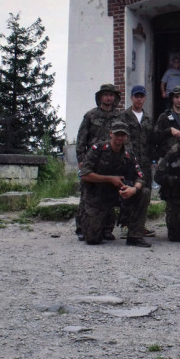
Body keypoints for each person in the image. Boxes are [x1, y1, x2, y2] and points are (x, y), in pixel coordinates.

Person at [79, 123, 151, 247]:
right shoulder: (98, 149)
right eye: (117, 134)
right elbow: (84, 174)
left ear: (126, 137)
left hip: (119, 194)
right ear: (111, 134)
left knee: (144, 192)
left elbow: (140, 176)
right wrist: (110, 179)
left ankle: (135, 236)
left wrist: (133, 189)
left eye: (123, 135)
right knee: (93, 239)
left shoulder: (129, 154)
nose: (120, 138)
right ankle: (103, 223)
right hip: (97, 194)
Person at [75, 83, 122, 241]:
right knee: (87, 195)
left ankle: (107, 228)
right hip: (93, 161)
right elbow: (81, 139)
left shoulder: (119, 117)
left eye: (111, 95)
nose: (108, 97)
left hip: (112, 160)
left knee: (109, 194)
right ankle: (82, 227)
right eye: (105, 94)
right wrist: (81, 160)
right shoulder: (90, 116)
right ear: (100, 97)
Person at [115, 84, 156, 237]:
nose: (139, 99)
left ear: (145, 98)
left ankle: (139, 225)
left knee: (145, 193)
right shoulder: (123, 116)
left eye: (141, 96)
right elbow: (122, 139)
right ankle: (126, 225)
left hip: (145, 162)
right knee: (128, 192)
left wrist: (154, 159)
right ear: (131, 97)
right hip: (128, 163)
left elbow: (151, 140)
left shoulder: (148, 118)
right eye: (136, 96)